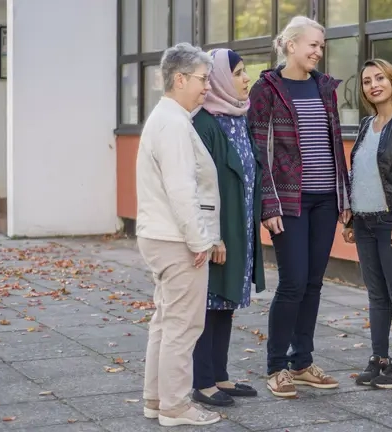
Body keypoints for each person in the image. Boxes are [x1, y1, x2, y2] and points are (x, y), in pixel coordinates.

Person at [248, 15, 351, 398]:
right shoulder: (266, 89)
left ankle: (302, 361)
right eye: (313, 45)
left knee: (313, 283)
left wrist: (344, 195)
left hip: (326, 199)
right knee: (292, 283)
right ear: (291, 45)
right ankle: (277, 366)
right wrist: (268, 204)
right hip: (289, 202)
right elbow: (261, 152)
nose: (318, 52)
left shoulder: (325, 88)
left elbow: (334, 141)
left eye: (321, 47)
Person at [135, 42, 223, 427]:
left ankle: (157, 401)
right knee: (183, 326)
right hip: (175, 238)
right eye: (203, 79)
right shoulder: (172, 124)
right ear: (180, 78)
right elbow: (182, 190)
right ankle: (175, 406)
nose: (207, 86)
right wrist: (200, 240)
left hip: (161, 235)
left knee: (166, 321)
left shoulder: (166, 119)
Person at [190, 48, 266, 407]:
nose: (246, 78)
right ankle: (202, 381)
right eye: (238, 72)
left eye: (245, 72)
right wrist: (212, 234)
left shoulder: (239, 117)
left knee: (226, 302)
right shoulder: (204, 124)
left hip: (241, 228)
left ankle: (219, 375)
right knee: (208, 304)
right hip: (219, 232)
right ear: (221, 78)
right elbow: (198, 186)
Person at [341, 59, 392, 389]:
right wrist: (349, 216)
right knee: (377, 296)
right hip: (364, 221)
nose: (373, 84)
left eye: (379, 78)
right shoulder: (366, 124)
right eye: (366, 81)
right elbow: (358, 174)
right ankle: (379, 360)